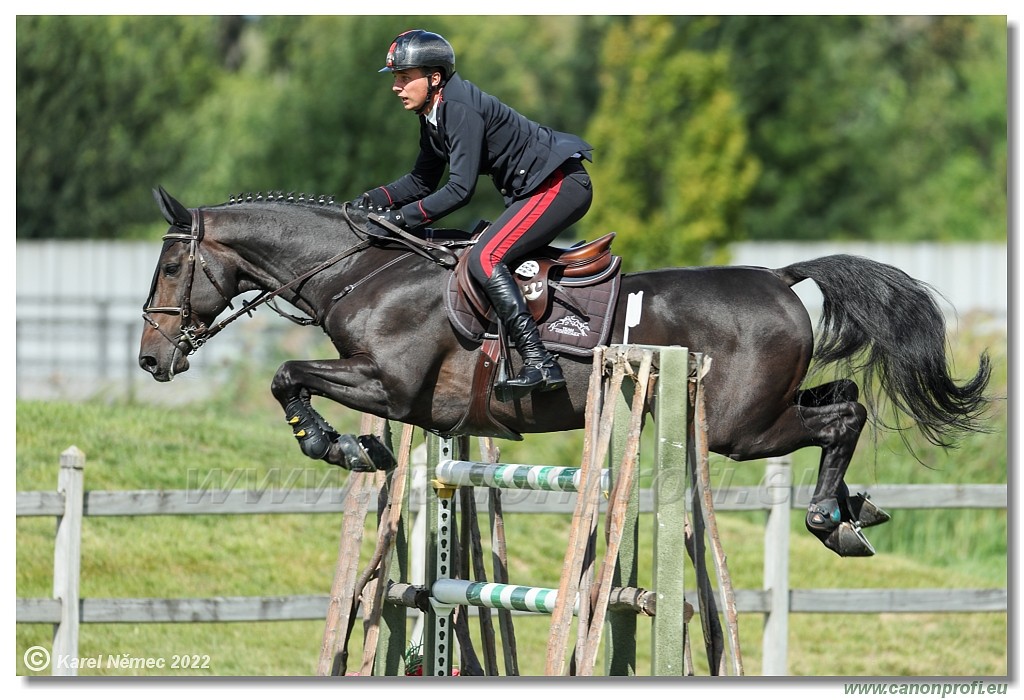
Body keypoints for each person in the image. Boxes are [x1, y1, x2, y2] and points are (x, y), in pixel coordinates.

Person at [349, 29, 594, 401]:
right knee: (477, 253)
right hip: (534, 190)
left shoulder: (457, 108)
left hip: (559, 185)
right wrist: (372, 199)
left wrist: (401, 220)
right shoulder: (433, 115)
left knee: (485, 256)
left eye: (404, 77)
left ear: (434, 78)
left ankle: (539, 360)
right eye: (396, 78)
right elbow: (421, 181)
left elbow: (460, 190)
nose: (396, 87)